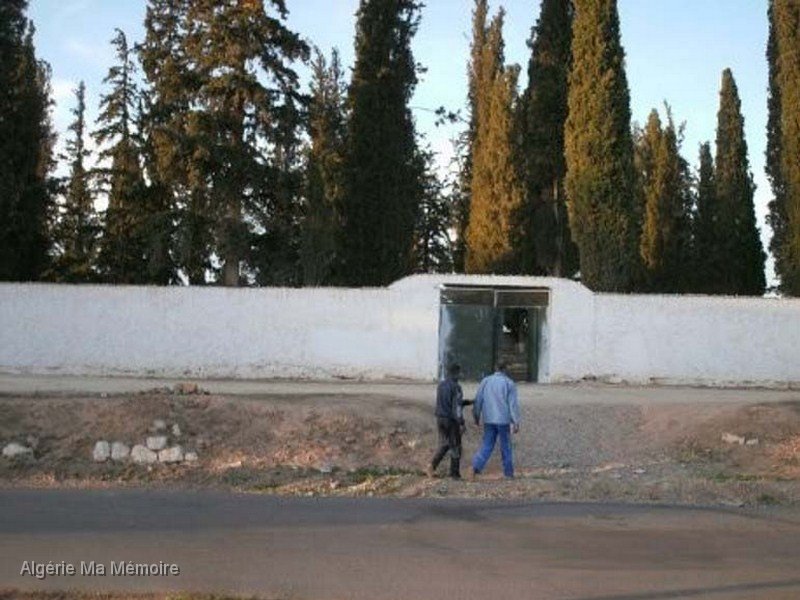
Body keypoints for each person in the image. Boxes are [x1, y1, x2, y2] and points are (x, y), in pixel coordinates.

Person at [471, 362, 520, 479]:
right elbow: (512, 405)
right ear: (505, 369)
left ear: (495, 369)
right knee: (506, 446)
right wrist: (516, 421)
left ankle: (476, 467)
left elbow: (478, 400)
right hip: (503, 420)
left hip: (488, 419)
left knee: (487, 444)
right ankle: (508, 473)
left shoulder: (485, 381)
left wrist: (476, 417)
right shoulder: (509, 383)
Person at [428, 363, 467, 479]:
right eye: (459, 373)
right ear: (456, 373)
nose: (460, 375)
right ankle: (454, 474)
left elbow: (446, 402)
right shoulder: (456, 387)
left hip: (440, 418)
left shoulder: (441, 385)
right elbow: (457, 407)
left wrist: (468, 402)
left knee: (445, 444)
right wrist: (461, 422)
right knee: (456, 445)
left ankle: (432, 466)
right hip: (451, 420)